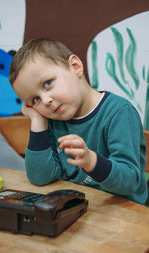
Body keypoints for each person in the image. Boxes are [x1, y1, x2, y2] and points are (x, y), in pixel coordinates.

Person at [9, 38, 148, 205]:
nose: (46, 101)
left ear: (75, 67)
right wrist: (38, 120)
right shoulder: (53, 119)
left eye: (47, 83)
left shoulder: (119, 112)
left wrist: (92, 161)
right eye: (35, 99)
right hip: (80, 210)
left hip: (124, 214)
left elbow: (130, 181)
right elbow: (40, 177)